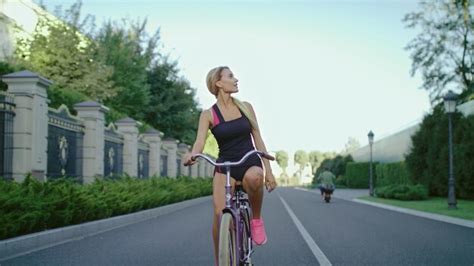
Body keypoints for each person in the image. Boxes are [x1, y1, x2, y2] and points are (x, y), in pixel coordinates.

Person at [184, 66, 277, 264]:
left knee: (254, 178)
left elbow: (258, 138)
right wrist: (193, 153)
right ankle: (221, 261)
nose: (236, 79)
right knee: (219, 215)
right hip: (226, 165)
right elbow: (200, 141)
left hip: (249, 159)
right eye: (231, 76)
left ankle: (256, 219)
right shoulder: (208, 114)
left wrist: (268, 171)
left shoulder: (246, 107)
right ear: (218, 83)